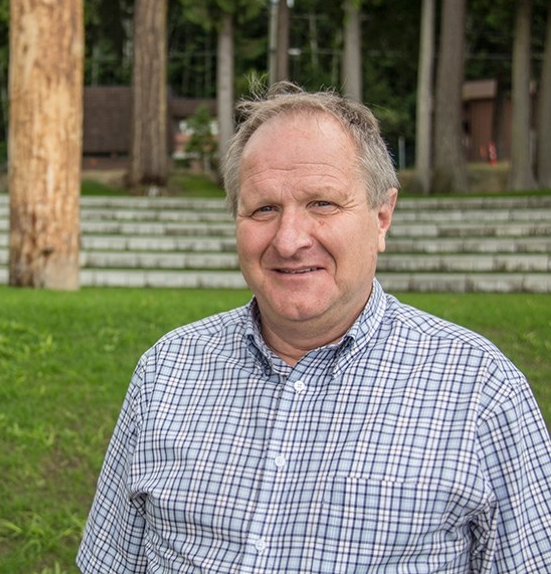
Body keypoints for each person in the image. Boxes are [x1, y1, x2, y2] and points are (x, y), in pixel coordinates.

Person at [77, 83, 551, 573]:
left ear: (382, 216)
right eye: (264, 208)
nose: (288, 241)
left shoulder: (480, 391)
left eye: (322, 204)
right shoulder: (166, 372)